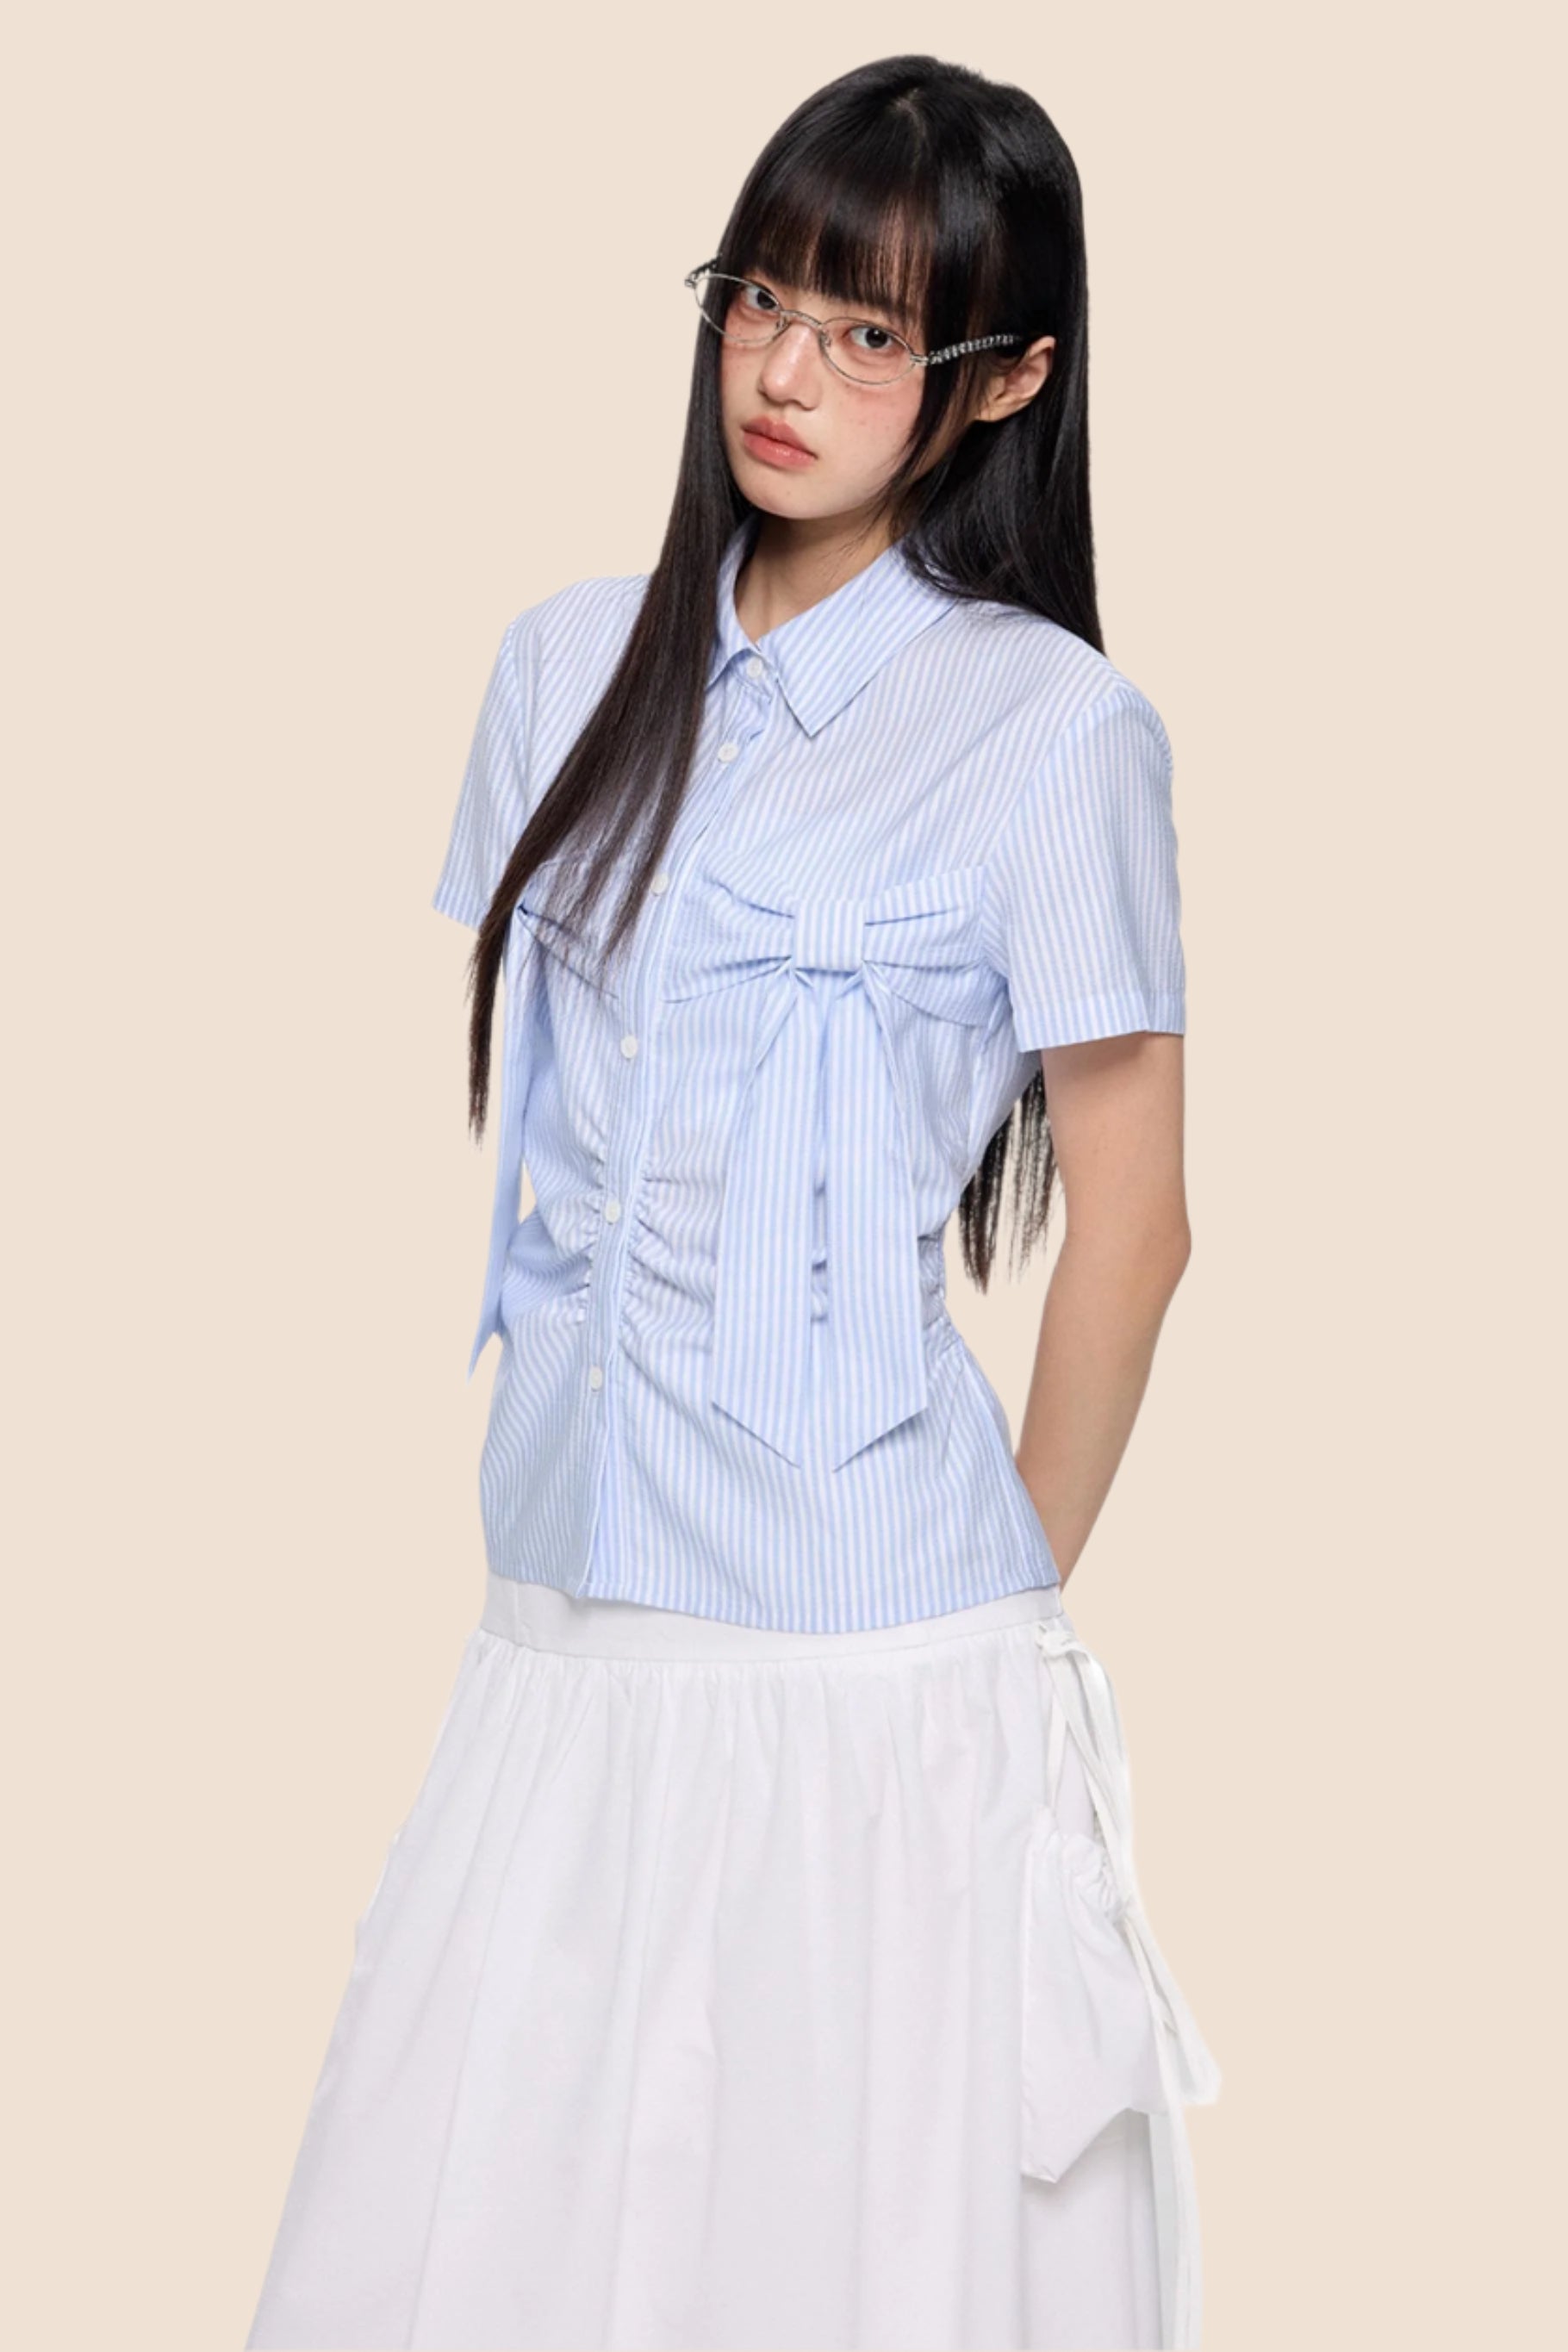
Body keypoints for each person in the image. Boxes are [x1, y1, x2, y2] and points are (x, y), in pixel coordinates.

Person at [245, 51, 1220, 2352]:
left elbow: (1136, 1217)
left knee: (839, 2270)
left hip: (865, 1679)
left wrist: (977, 1610)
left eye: (869, 331)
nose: (785, 374)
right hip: (559, 1635)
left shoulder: (1053, 734)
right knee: (481, 2251)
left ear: (1006, 379)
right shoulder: (562, 667)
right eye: (760, 300)